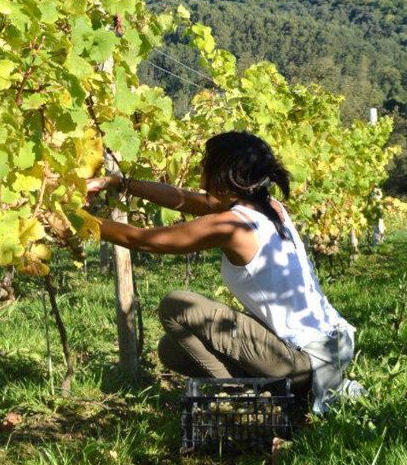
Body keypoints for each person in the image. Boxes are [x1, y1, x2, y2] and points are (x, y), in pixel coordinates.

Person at [86, 131, 360, 414]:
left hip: (302, 360)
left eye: (207, 162)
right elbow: (188, 200)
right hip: (333, 349)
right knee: (172, 349)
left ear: (225, 172)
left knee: (177, 305)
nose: (201, 169)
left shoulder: (234, 227)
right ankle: (282, 392)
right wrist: (120, 184)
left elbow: (143, 240)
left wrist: (77, 221)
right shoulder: (271, 208)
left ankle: (253, 402)